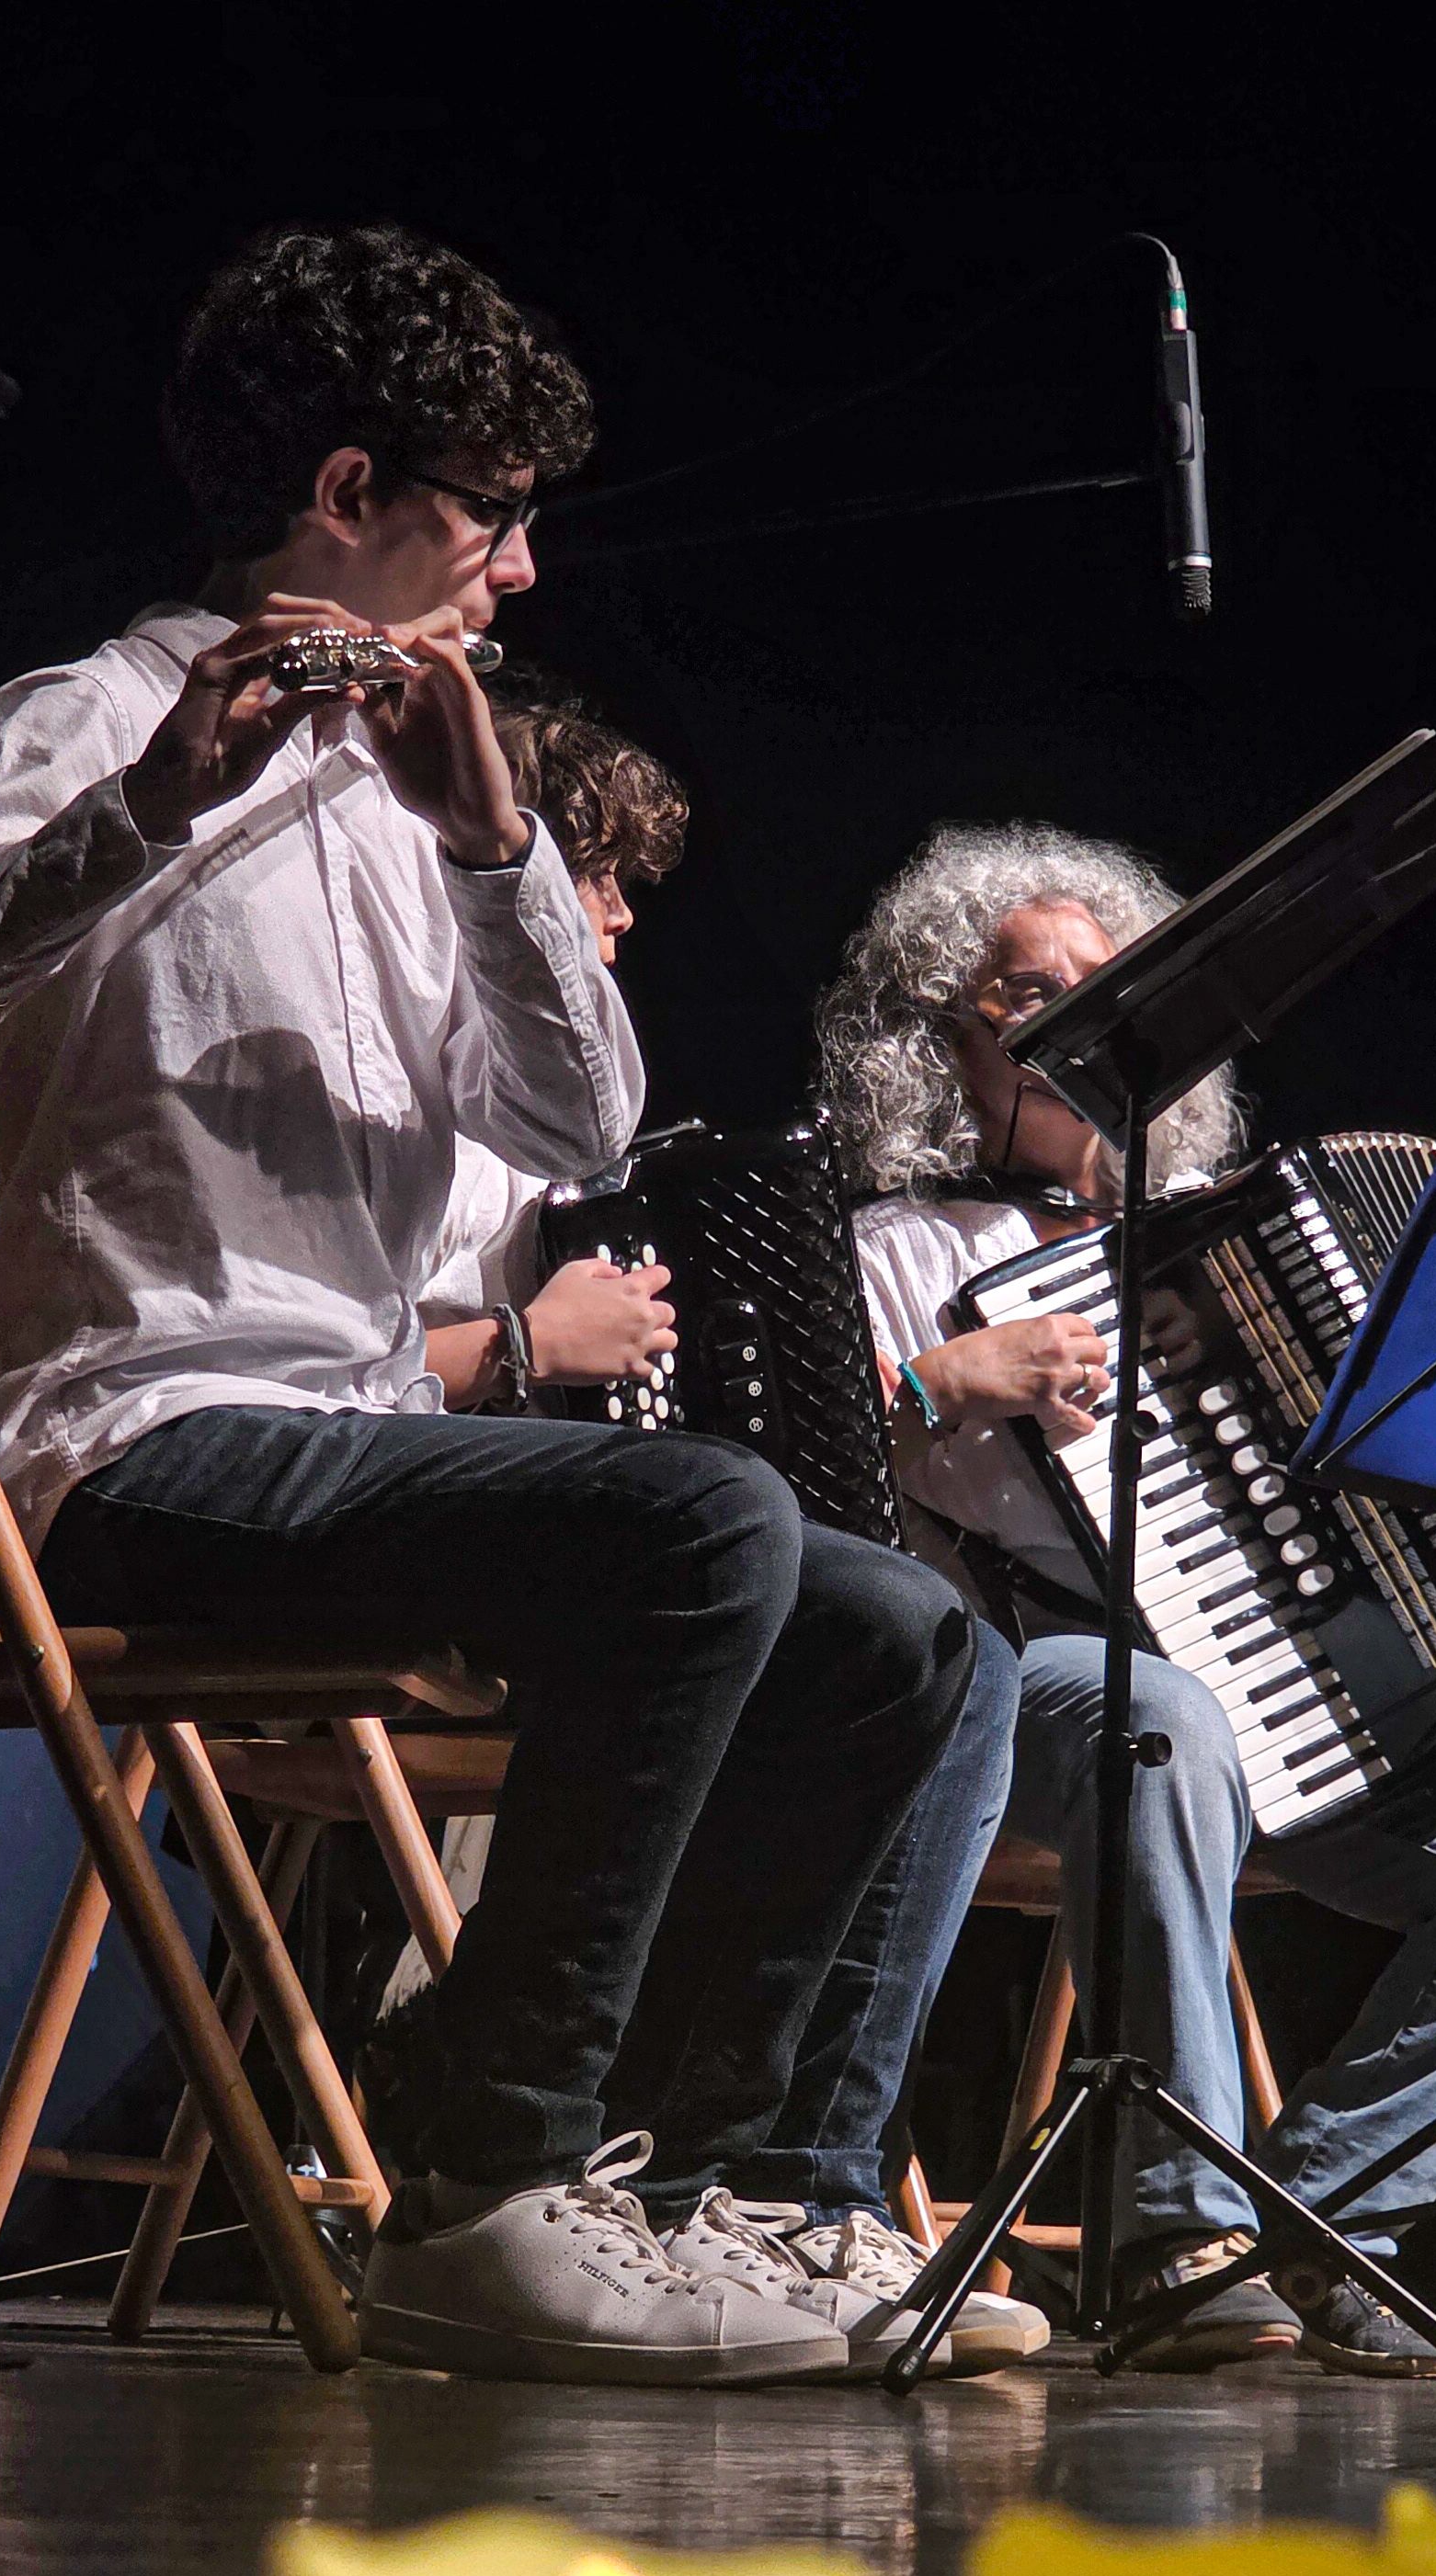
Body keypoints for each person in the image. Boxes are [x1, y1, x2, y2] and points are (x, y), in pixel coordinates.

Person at [0, 221, 980, 2389]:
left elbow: (578, 1113)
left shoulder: (422, 793)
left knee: (903, 1633)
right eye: (490, 515)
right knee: (705, 1520)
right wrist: (158, 807)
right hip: (142, 1449)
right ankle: (485, 2179)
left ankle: (704, 2191)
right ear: (346, 493)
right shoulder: (94, 716)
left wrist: (493, 848)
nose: (519, 572)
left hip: (357, 1443)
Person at [819, 822, 1436, 2377]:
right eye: (1020, 991)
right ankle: (1173, 2236)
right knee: (1166, 1717)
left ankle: (1331, 2216)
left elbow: (1399, 1485)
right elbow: (803, 1495)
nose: (1065, 1019)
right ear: (945, 1028)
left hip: (1296, 1694)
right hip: (1028, 1685)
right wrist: (942, 1377)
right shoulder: (888, 1244)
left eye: (1098, 988)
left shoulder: (1251, 1242)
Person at [393, 686, 1044, 2371]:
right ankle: (633, 2158)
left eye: (605, 891)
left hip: (558, 1558)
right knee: (771, 1574)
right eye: (588, 876)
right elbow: (306, 1375)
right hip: (407, 1558)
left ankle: (762, 2186)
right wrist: (528, 1352)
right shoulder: (395, 1112)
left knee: (928, 1640)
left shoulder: (544, 1127)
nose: (603, 921)